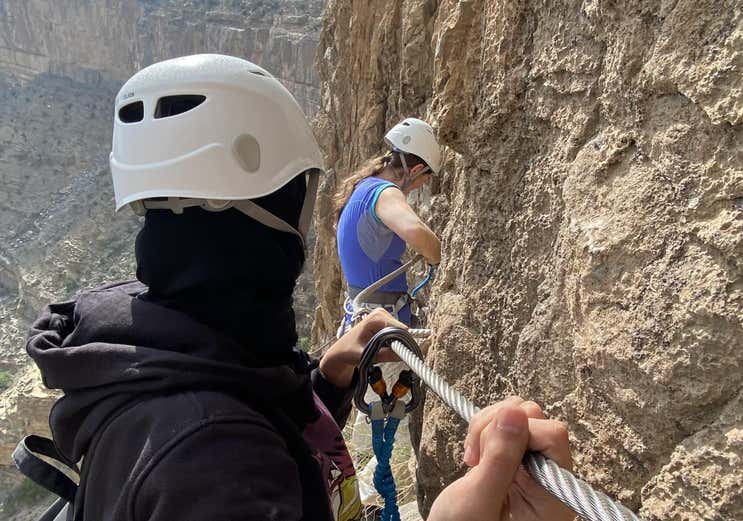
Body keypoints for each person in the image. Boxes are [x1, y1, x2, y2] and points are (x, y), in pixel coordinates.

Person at [25, 54, 574, 521]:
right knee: (387, 440)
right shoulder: (217, 465)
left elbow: (254, 410)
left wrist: (325, 380)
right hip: (380, 323)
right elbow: (236, 444)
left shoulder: (175, 350)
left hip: (356, 330)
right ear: (283, 210)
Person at [334, 118, 442, 333]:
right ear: (416, 169)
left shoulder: (362, 188)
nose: (420, 187)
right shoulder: (385, 192)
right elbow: (415, 231)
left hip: (362, 322)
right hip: (383, 328)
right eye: (425, 178)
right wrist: (439, 255)